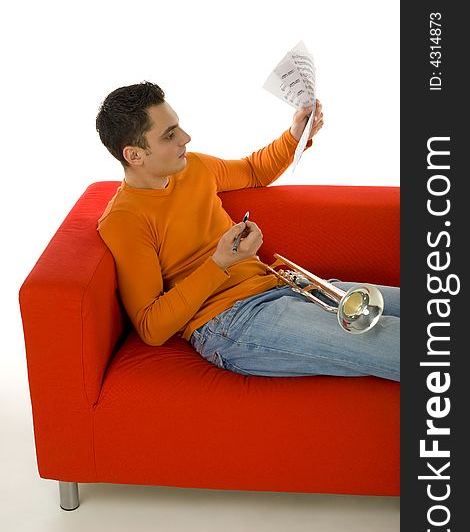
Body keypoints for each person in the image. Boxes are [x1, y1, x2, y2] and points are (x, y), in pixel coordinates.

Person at [96, 81, 399, 381]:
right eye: (169, 135)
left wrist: (295, 135)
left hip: (278, 284)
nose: (185, 138)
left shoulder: (194, 167)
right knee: (395, 342)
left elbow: (254, 171)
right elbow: (152, 327)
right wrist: (219, 263)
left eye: (179, 127)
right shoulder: (124, 219)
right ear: (134, 156)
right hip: (229, 321)